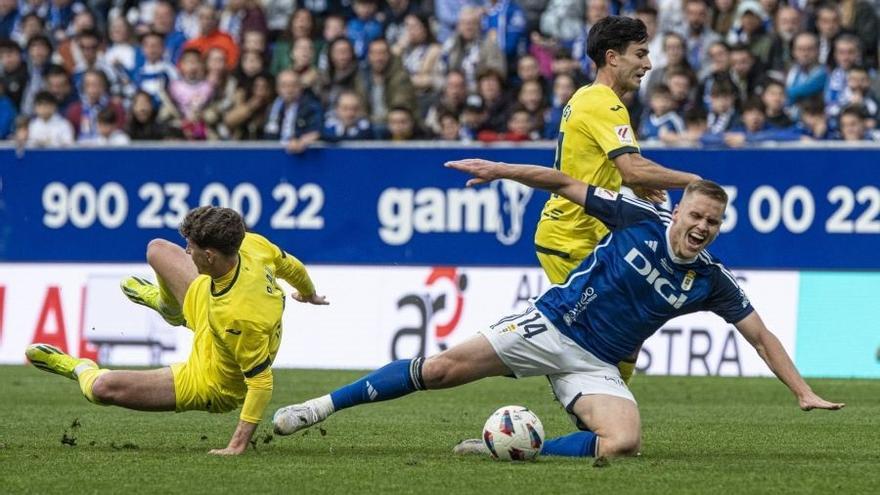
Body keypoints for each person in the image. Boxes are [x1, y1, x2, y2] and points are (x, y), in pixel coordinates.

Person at [274, 159, 844, 458]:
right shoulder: (637, 217)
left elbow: (762, 336)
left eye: (712, 223)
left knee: (624, 443)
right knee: (441, 369)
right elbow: (562, 181)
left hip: (596, 364)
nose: (701, 227)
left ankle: (513, 446)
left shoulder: (712, 280)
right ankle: (319, 408)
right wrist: (500, 171)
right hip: (549, 324)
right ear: (677, 213)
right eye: (695, 216)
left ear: (718, 228)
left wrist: (802, 391)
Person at [26, 206, 328, 456]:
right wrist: (309, 293)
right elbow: (290, 266)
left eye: (192, 248)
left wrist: (236, 445)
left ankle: (79, 368)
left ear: (209, 255)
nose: (187, 251)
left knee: (102, 390)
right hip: (207, 302)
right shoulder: (250, 244)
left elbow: (261, 383)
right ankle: (169, 309)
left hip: (209, 381)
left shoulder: (240, 317)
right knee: (156, 250)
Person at [532, 16, 701, 383]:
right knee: (609, 336)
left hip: (586, 237)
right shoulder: (602, 103)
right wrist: (693, 181)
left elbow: (617, 169)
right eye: (640, 54)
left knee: (627, 333)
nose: (649, 64)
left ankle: (602, 423)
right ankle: (598, 424)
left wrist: (635, 182)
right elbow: (633, 169)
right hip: (570, 238)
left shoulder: (589, 99)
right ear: (612, 57)